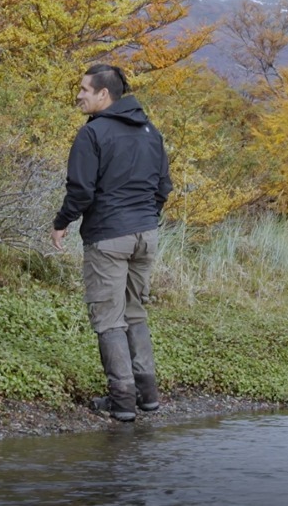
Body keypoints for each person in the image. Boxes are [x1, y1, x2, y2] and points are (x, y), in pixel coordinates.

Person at [50, 63, 172, 422]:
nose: (79, 95)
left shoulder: (93, 134)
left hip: (109, 237)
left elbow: (81, 190)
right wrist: (146, 217)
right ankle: (147, 396)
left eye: (84, 89)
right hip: (146, 235)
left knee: (109, 319)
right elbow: (164, 187)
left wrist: (61, 223)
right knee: (135, 312)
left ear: (104, 94)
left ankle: (121, 401)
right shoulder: (151, 131)